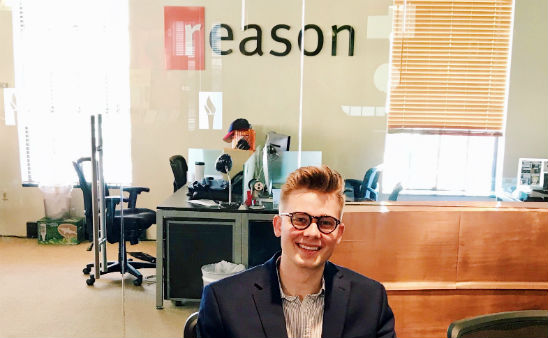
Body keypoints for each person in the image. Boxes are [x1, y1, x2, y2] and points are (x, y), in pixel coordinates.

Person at [197, 165, 396, 338]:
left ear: (339, 232)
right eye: (300, 219)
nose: (312, 232)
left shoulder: (370, 300)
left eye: (326, 223)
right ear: (278, 226)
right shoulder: (223, 301)